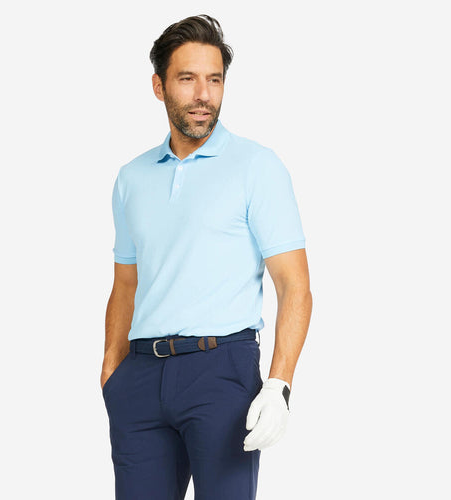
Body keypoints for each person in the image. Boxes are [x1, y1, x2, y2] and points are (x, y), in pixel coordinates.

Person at [100, 14, 312, 500]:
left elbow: (294, 285)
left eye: (214, 80)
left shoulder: (257, 166)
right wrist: (112, 370)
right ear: (159, 86)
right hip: (140, 377)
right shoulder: (132, 178)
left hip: (221, 371)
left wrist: (279, 384)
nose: (203, 95)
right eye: (187, 79)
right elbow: (126, 283)